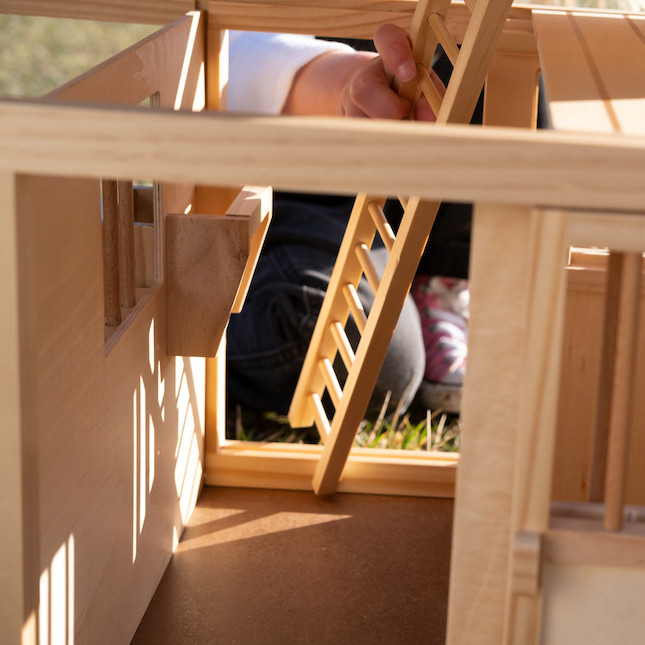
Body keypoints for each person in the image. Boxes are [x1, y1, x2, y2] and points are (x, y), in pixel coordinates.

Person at [224, 26, 470, 420]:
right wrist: (341, 83)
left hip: (431, 196)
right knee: (366, 358)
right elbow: (220, 43)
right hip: (296, 172)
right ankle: (209, 338)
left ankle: (442, 283)